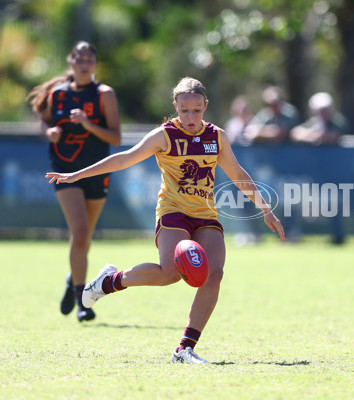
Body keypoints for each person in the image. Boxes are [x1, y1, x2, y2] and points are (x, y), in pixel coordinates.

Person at [46, 77, 286, 363]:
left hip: (205, 215)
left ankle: (184, 349)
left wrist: (266, 209)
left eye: (196, 110)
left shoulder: (217, 136)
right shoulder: (164, 135)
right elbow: (124, 159)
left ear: (205, 106)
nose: (190, 117)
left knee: (214, 274)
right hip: (173, 211)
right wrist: (75, 175)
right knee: (170, 272)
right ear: (176, 106)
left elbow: (238, 174)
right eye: (184, 110)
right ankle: (107, 283)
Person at [27, 41, 121, 322]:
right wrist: (51, 131)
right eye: (80, 58)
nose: (85, 63)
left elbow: (115, 138)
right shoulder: (57, 94)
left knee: (85, 238)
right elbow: (44, 121)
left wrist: (88, 123)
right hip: (63, 168)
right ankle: (83, 300)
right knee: (79, 233)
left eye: (90, 59)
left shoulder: (105, 94)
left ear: (95, 64)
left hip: (95, 170)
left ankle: (72, 280)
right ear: (71, 62)